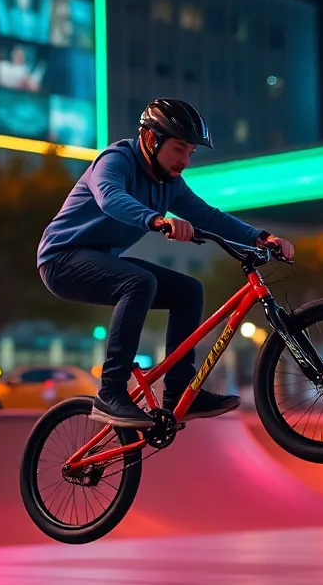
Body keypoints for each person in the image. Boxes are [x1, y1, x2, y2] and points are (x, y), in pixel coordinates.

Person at [38, 98, 294, 428]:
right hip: (61, 259)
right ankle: (111, 393)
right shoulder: (116, 160)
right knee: (139, 282)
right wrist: (157, 221)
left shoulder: (169, 184)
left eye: (191, 152)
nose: (185, 160)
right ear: (149, 139)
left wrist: (260, 237)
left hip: (100, 259)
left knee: (188, 291)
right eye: (179, 148)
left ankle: (177, 393)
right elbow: (110, 198)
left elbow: (207, 216)